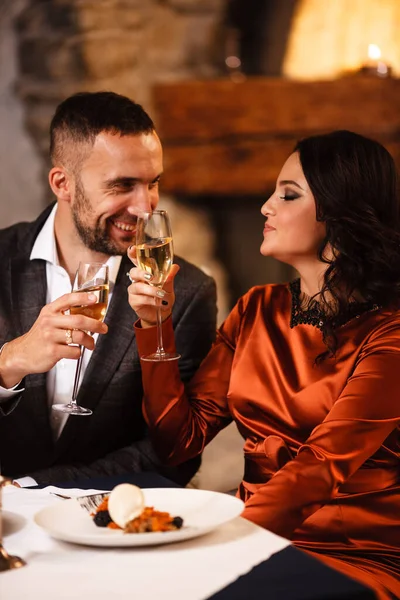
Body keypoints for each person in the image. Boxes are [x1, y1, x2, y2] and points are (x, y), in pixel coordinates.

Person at [128, 130, 400, 600]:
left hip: (351, 556)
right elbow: (178, 440)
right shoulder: (257, 308)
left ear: (338, 213)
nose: (265, 207)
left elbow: (318, 469)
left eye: (288, 194)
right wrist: (155, 325)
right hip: (254, 540)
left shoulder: (389, 335)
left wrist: (215, 547)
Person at [0, 91, 217, 486]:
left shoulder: (185, 293)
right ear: (62, 183)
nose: (145, 207)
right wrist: (8, 362)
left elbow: (173, 455)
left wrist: (34, 487)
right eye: (123, 185)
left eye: (153, 183)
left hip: (111, 526)